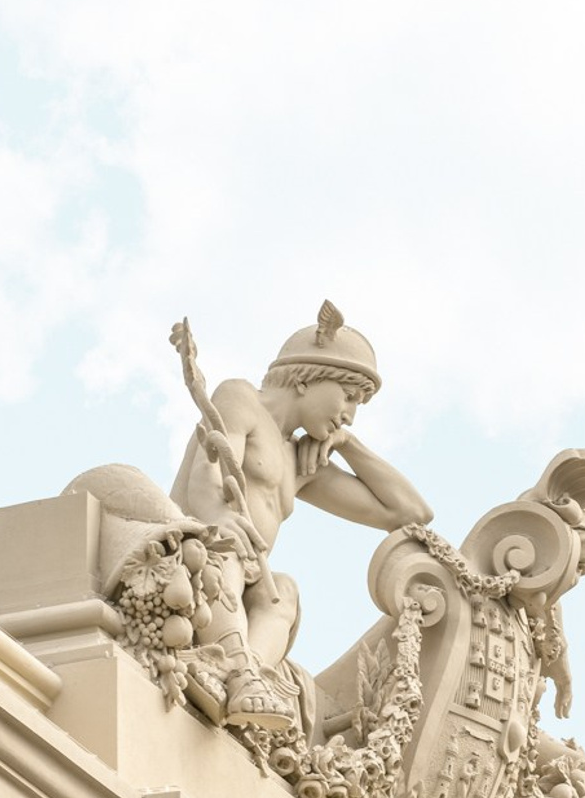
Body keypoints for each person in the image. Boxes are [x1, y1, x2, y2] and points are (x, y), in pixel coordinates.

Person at [70, 303, 433, 732]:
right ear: (306, 376)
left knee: (285, 592)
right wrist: (222, 520)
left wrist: (348, 444)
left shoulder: (299, 461)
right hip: (202, 559)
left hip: (244, 584)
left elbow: (409, 512)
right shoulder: (240, 398)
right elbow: (210, 472)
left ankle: (246, 677)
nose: (349, 412)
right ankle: (238, 669)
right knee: (227, 551)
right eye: (348, 396)